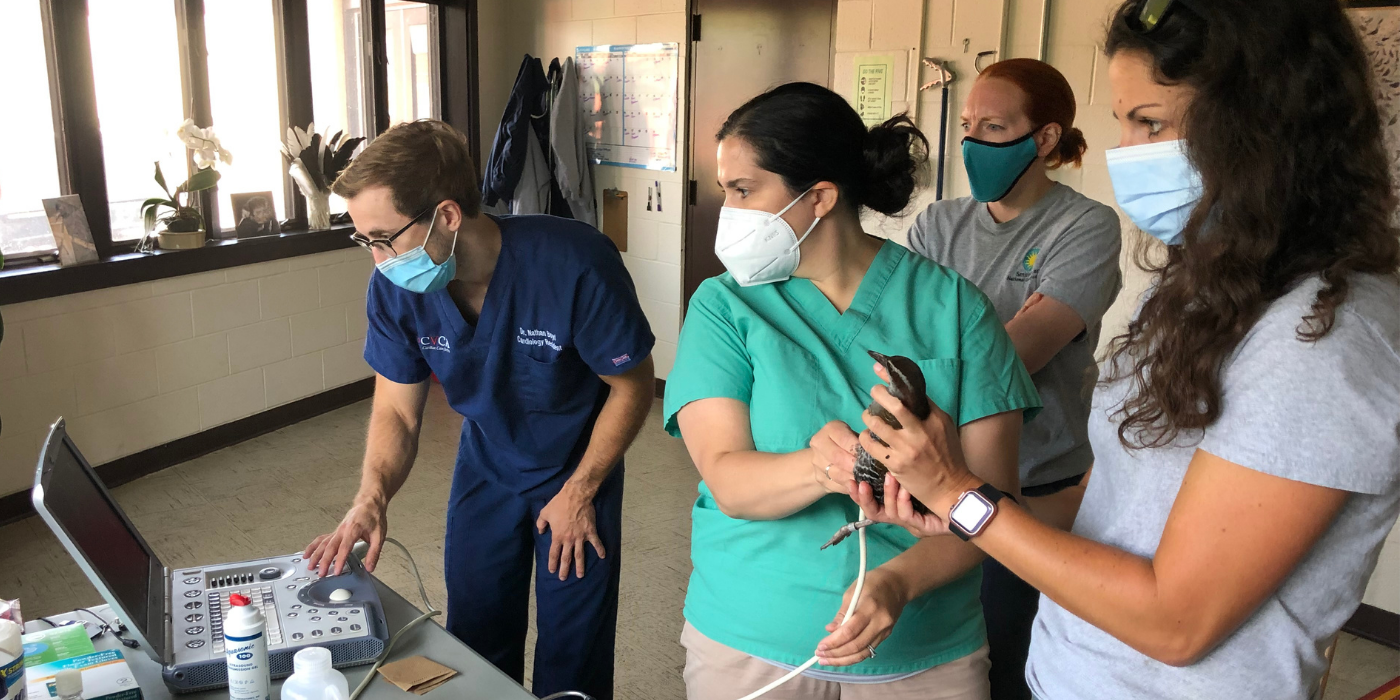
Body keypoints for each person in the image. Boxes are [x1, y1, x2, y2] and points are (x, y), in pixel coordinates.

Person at [847, 1, 1400, 699]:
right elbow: (1099, 501)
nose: (1129, 152)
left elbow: (1176, 622)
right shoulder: (1201, 292)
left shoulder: (1324, 338)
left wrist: (961, 493)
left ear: (1264, 128)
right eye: (1124, 122)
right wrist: (940, 534)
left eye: (1152, 123)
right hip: (1071, 672)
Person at [663, 82, 1041, 700]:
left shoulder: (954, 309)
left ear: (819, 198)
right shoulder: (724, 306)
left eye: (742, 190)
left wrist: (896, 583)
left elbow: (997, 508)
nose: (727, 210)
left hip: (924, 647)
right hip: (753, 636)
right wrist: (822, 467)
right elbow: (728, 479)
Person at [301, 120, 656, 700]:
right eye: (365, 241)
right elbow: (397, 409)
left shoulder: (573, 262)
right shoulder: (397, 287)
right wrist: (371, 497)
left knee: (574, 643)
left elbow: (632, 386)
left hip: (576, 463)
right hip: (487, 463)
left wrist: (582, 490)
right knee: (475, 630)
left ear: (446, 216)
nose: (379, 259)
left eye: (385, 237)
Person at [904, 58, 1121, 700]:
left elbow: (1012, 361)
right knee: (933, 657)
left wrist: (953, 348)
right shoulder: (937, 224)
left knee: (1006, 662)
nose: (973, 143)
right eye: (968, 125)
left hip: (1034, 490)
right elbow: (903, 352)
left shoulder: (1085, 226)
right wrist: (987, 340)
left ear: (1045, 138)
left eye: (994, 127)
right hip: (935, 475)